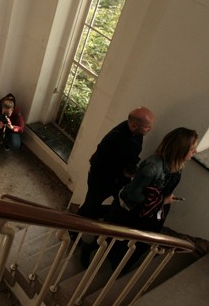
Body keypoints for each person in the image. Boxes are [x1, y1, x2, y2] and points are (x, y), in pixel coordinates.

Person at [104, 127, 199, 272]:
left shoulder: (178, 164)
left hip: (153, 211)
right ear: (179, 149)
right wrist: (163, 201)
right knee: (124, 242)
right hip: (134, 212)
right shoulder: (152, 166)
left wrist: (164, 199)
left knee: (143, 243)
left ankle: (123, 266)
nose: (196, 151)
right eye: (192, 149)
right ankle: (116, 266)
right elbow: (133, 195)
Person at [77, 106, 155, 221]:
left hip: (114, 178)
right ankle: (74, 227)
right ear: (134, 126)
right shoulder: (117, 137)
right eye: (147, 127)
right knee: (91, 205)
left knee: (111, 206)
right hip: (102, 179)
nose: (150, 129)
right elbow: (101, 160)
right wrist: (124, 174)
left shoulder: (135, 131)